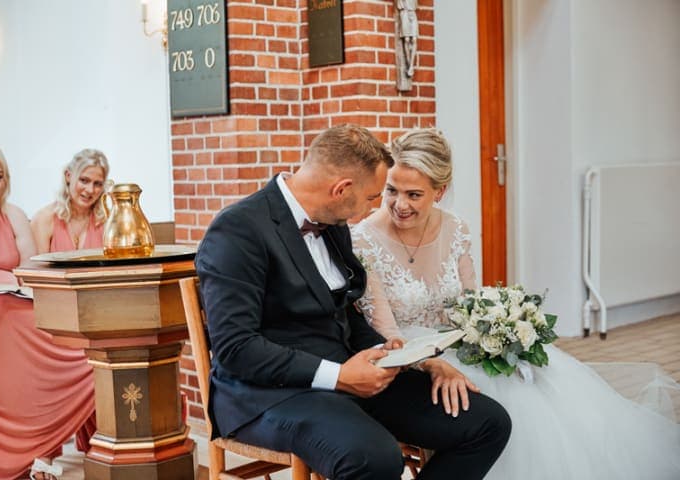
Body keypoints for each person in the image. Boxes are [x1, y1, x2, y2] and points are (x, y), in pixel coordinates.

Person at [351, 128, 680, 479]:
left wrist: (496, 330)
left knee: (537, 386)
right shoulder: (364, 241)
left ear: (440, 191)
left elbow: (470, 303)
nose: (399, 204)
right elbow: (387, 332)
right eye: (391, 190)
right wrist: (434, 365)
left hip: (457, 342)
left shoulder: (455, 228)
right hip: (406, 357)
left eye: (414, 194)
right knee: (498, 403)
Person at [195, 124, 511, 480]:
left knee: (487, 423)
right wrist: (340, 376)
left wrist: (386, 351)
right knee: (375, 458)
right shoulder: (238, 230)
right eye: (371, 197)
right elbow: (236, 348)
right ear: (341, 189)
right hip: (270, 394)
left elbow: (344, 311)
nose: (369, 210)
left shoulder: (333, 223)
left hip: (347, 374)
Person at [0, 144, 95, 480]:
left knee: (84, 356)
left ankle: (41, 450)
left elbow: (30, 273)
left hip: (19, 317)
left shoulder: (15, 215)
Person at [31, 148, 109, 253]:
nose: (90, 190)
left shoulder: (108, 222)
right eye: (84, 180)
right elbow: (36, 263)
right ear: (68, 176)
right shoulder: (43, 219)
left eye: (97, 184)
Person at [397, 0, 418, 77]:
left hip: (412, 12)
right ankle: (409, 65)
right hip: (405, 12)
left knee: (414, 39)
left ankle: (411, 66)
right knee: (407, 39)